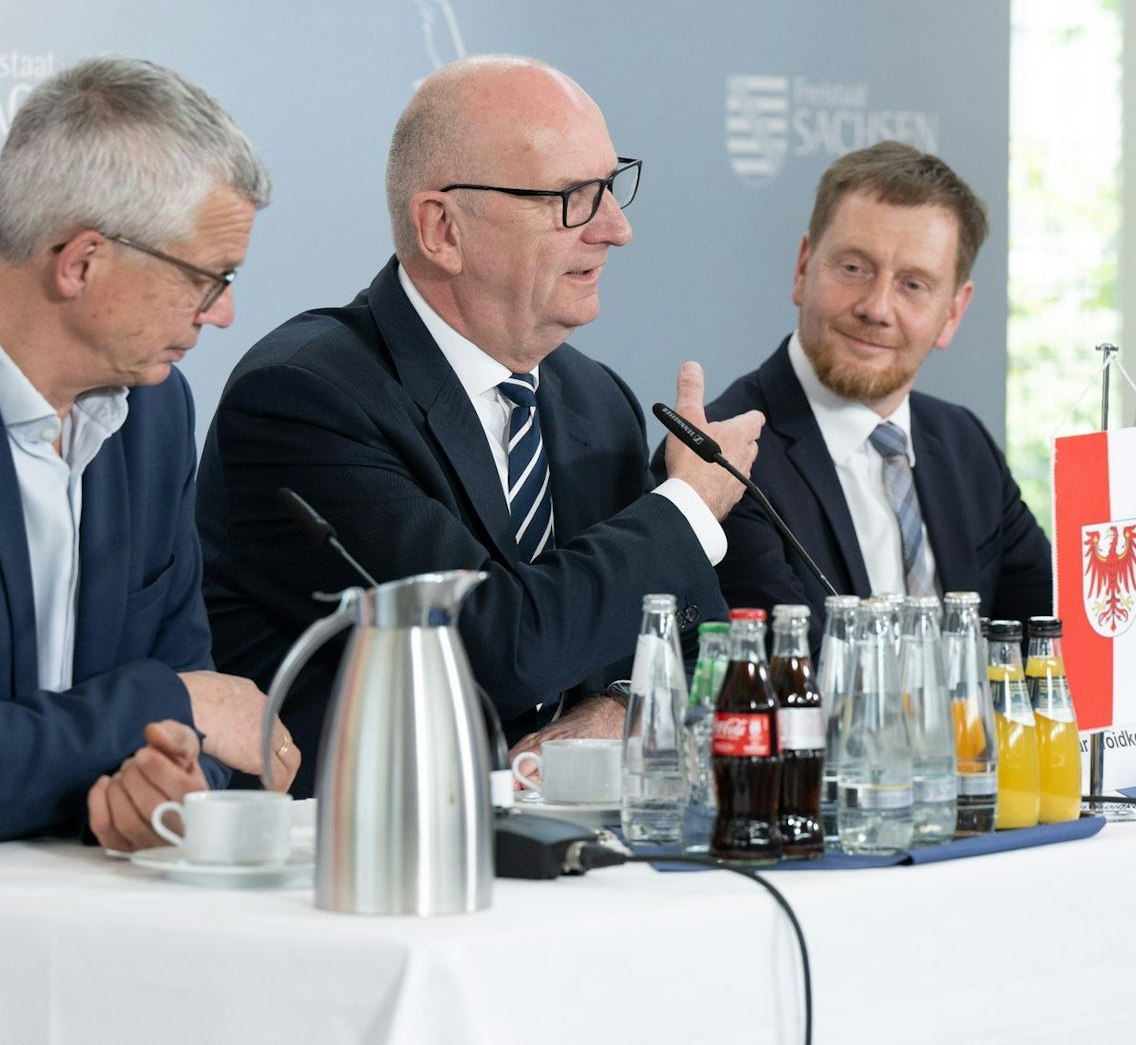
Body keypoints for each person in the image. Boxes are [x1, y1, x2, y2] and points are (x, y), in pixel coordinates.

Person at [198, 55, 761, 796]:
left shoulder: (596, 400)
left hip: (563, 861)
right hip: (361, 860)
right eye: (573, 198)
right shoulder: (305, 398)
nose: (616, 229)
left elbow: (688, 653)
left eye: (612, 185)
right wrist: (688, 505)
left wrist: (618, 709)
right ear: (442, 228)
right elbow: (493, 642)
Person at [0, 55, 294, 857]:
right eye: (210, 279)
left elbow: (190, 717)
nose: (225, 313)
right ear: (81, 262)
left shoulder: (155, 409)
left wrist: (166, 780)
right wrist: (165, 701)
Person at [701, 141, 1136, 664]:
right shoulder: (723, 455)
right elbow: (795, 666)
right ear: (803, 267)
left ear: (953, 313)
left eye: (914, 284)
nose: (877, 307)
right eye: (853, 268)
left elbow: (1051, 617)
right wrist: (1120, 660)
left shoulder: (962, 445)